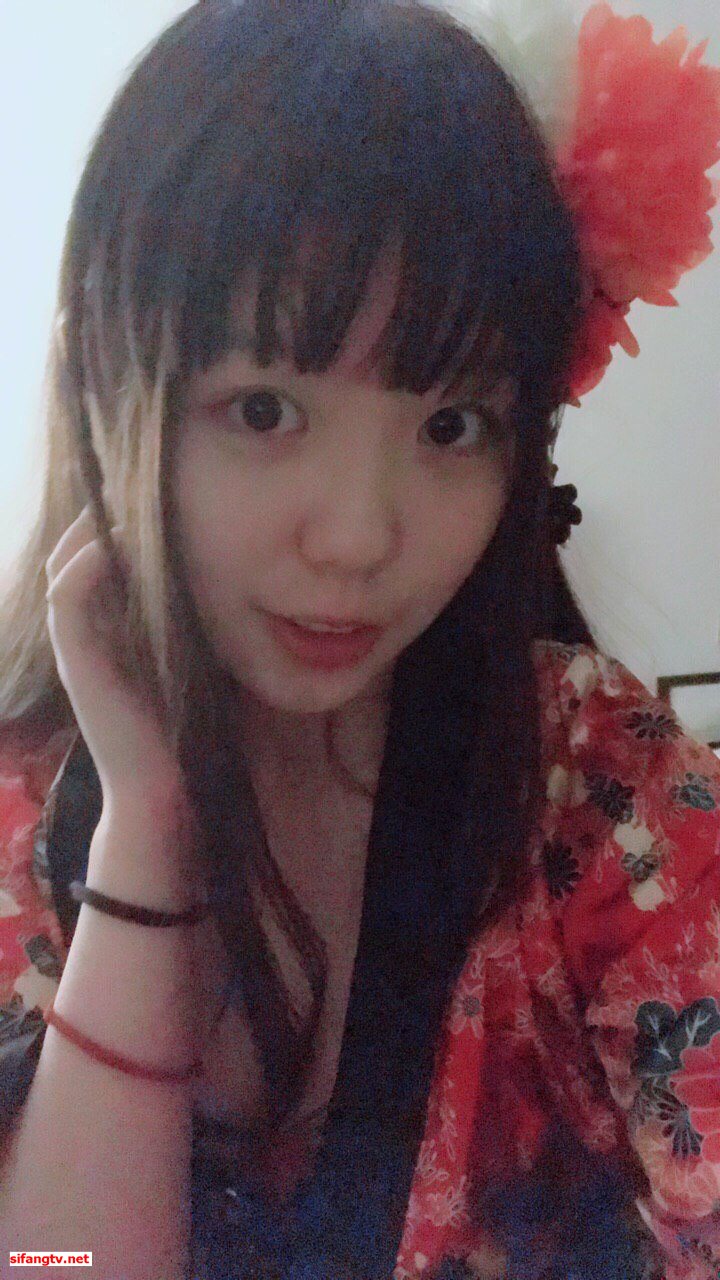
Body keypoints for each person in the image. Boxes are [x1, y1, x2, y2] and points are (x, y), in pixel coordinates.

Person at [0, 0, 718, 1276]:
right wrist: (144, 832)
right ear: (105, 389)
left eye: (451, 425)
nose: (357, 538)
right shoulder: (18, 821)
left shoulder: (597, 779)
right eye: (263, 408)